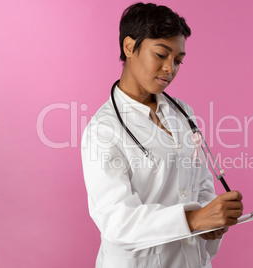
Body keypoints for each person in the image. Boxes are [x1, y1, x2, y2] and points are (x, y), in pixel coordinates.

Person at [81, 2, 243, 267]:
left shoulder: (183, 113)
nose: (171, 68)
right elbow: (116, 220)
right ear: (129, 47)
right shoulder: (103, 129)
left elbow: (200, 185)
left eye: (178, 60)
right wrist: (194, 219)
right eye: (161, 54)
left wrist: (212, 219)